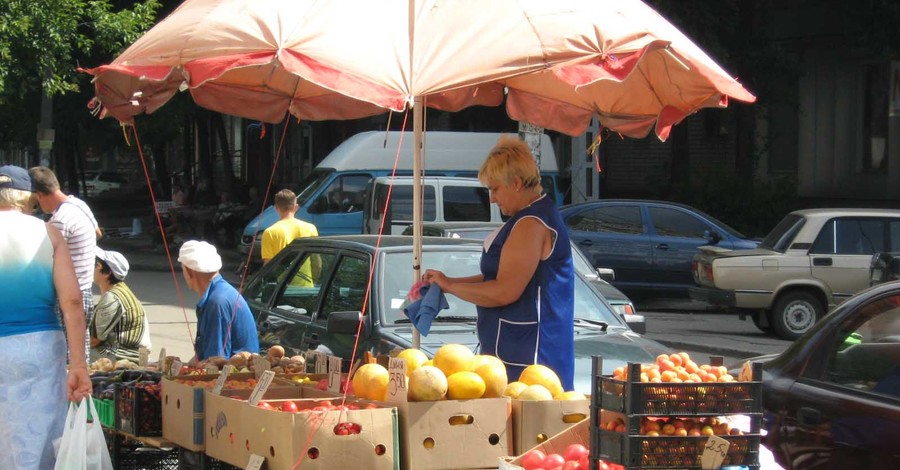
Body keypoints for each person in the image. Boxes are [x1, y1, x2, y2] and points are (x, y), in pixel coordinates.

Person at [422, 136, 575, 391]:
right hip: (515, 349)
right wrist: (447, 283)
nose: (492, 199)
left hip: (531, 355)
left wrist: (450, 284)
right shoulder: (528, 217)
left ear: (515, 183)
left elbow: (505, 290)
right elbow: (495, 277)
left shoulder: (531, 223)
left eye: (494, 189)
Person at [0, 165, 91, 469]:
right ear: (29, 199)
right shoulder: (47, 233)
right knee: (39, 436)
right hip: (39, 347)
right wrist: (78, 362)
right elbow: (72, 301)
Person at [29, 165, 101, 362]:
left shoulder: (60, 220)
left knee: (68, 356)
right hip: (85, 290)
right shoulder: (79, 205)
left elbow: (41, 262)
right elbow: (98, 232)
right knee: (81, 350)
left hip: (68, 295)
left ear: (39, 195)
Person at [178, 240, 259, 360]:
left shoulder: (217, 302)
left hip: (234, 376)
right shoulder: (218, 294)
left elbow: (215, 362)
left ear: (189, 271)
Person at [91, 248, 152, 362]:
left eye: (96, 265)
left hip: (127, 355)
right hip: (137, 353)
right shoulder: (123, 290)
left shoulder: (112, 298)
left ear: (108, 273)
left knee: (72, 355)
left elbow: (94, 340)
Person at [261, 189, 319, 284]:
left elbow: (268, 267)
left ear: (276, 207)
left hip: (282, 291)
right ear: (296, 207)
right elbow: (317, 264)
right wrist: (314, 283)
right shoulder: (311, 228)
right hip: (307, 290)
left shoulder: (270, 232)